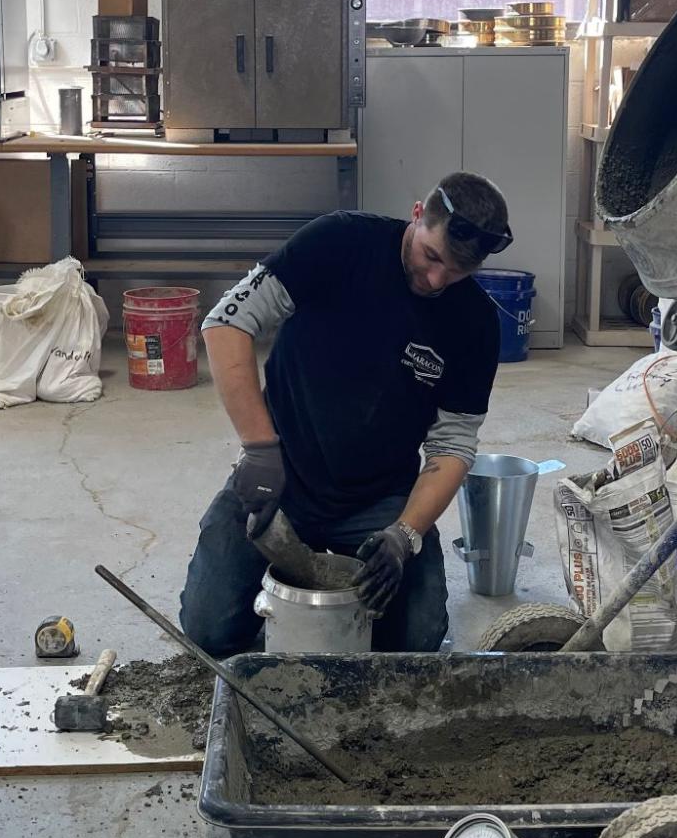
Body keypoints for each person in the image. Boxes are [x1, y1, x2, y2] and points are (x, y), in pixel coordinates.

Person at [179, 173, 512, 656]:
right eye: (432, 257)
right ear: (418, 215)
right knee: (208, 630)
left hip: (380, 499)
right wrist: (259, 450)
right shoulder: (338, 243)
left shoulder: (475, 323)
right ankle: (280, 602)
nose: (437, 280)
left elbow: (453, 445)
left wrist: (405, 534)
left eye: (458, 272)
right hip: (281, 477)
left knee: (417, 641)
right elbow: (227, 322)